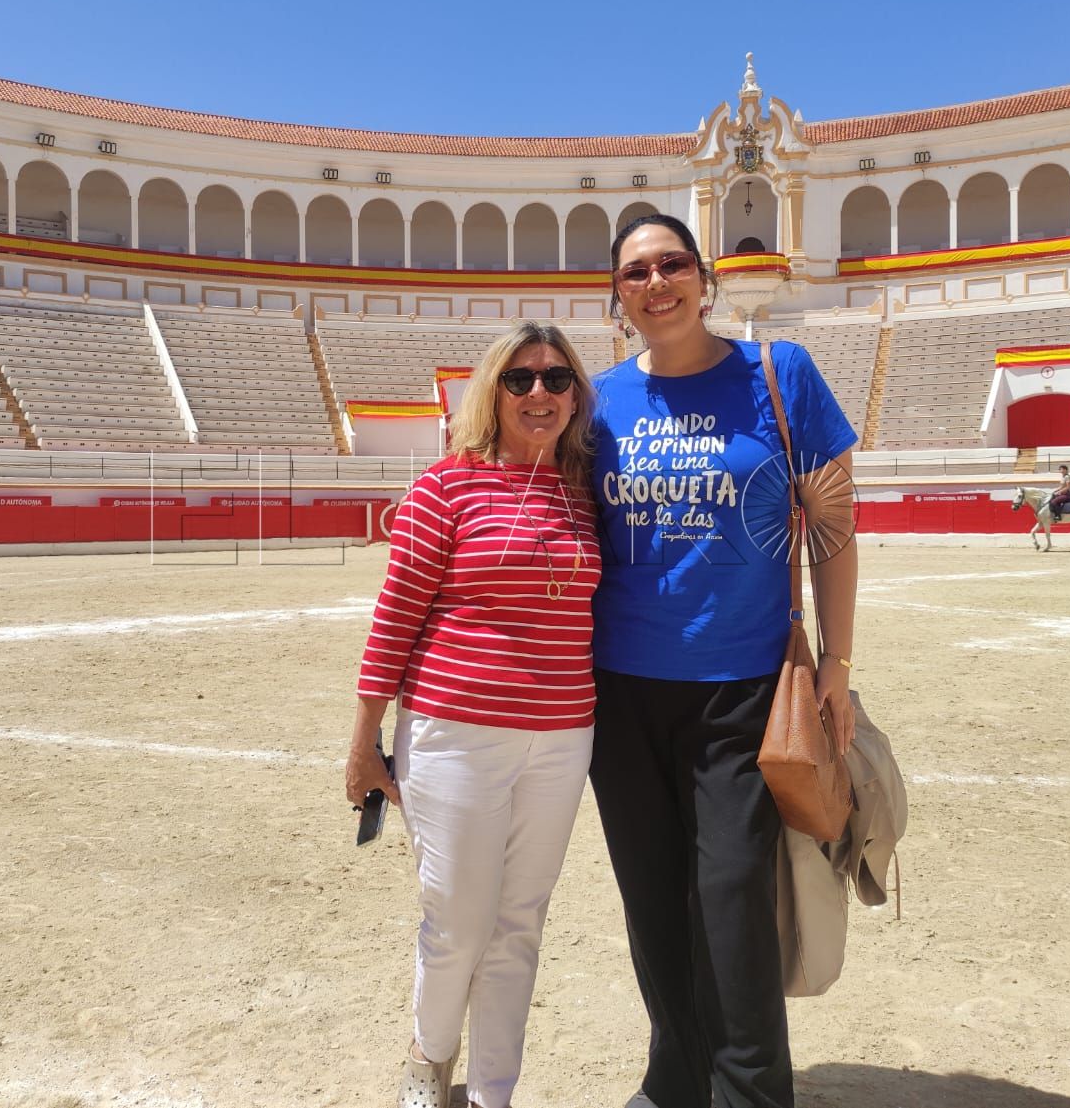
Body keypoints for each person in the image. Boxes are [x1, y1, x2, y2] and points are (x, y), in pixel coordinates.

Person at [587, 214, 860, 1108]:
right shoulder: (597, 403)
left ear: (703, 277)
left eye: (672, 263)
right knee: (652, 901)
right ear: (617, 296)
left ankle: (749, 1091)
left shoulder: (780, 375)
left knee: (732, 901)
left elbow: (835, 528)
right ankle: (675, 1079)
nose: (656, 282)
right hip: (621, 694)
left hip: (744, 688)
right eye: (637, 272)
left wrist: (838, 665)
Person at [346, 320, 601, 1108]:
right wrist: (364, 741)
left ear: (575, 396)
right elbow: (395, 616)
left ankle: (495, 1093)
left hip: (562, 739)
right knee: (457, 917)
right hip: (454, 733)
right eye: (520, 378)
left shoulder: (587, 490)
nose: (539, 393)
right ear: (491, 390)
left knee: (519, 921)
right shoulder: (445, 484)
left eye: (557, 379)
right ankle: (427, 1065)